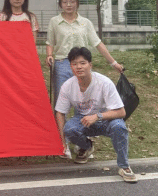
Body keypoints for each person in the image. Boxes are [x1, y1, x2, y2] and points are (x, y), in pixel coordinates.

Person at [46, 0, 124, 158]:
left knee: (82, 104)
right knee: (61, 105)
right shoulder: (54, 22)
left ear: (77, 3)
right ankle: (63, 144)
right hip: (62, 64)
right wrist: (49, 55)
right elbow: (49, 42)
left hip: (81, 64)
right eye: (65, 2)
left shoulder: (85, 23)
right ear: (60, 4)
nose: (68, 5)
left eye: (72, 1)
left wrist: (113, 63)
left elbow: (97, 43)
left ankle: (82, 143)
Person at [55, 47, 137, 183]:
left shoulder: (104, 83)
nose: (78, 67)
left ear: (90, 65)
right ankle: (86, 147)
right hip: (84, 120)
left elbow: (121, 112)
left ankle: (124, 166)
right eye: (74, 64)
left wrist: (98, 116)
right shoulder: (67, 86)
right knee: (69, 129)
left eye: (82, 63)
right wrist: (63, 142)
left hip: (106, 120)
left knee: (119, 127)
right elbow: (60, 113)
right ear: (71, 67)